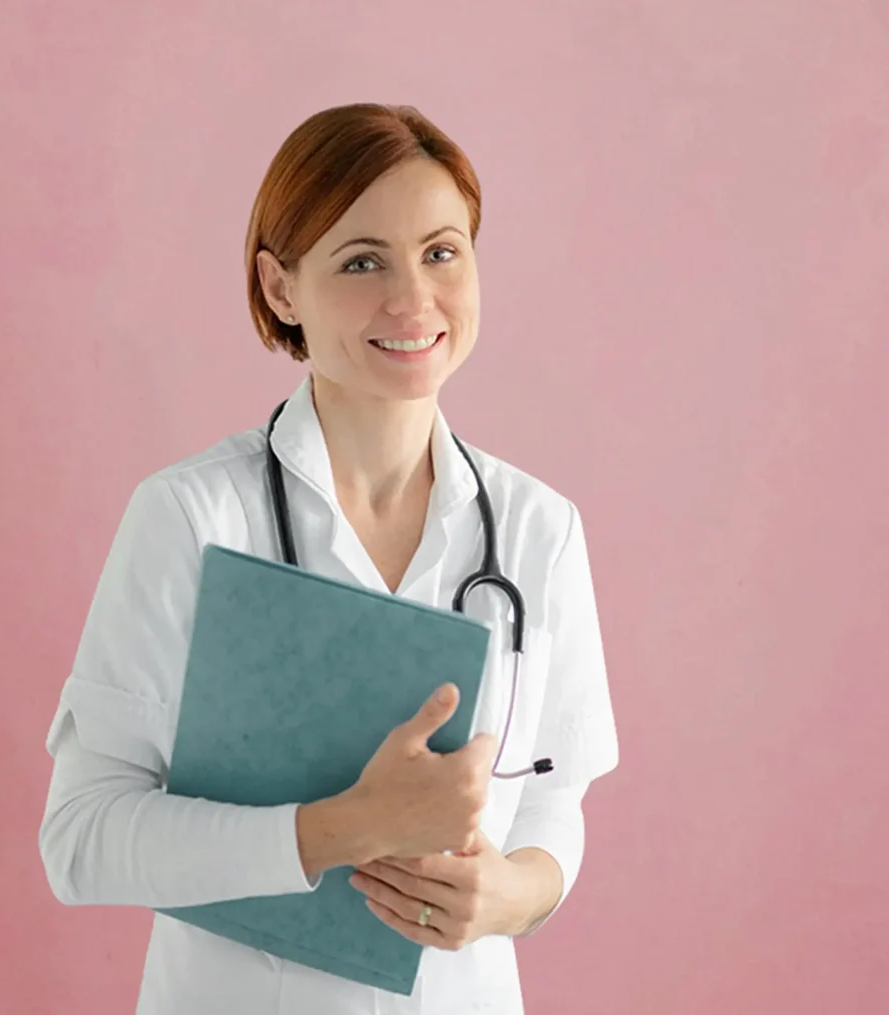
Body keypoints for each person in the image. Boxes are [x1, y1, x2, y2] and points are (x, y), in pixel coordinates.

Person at [38, 102, 619, 1015]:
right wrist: (336, 830)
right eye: (361, 261)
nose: (412, 298)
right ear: (280, 289)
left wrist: (518, 894)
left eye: (441, 252)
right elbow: (80, 841)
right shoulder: (192, 517)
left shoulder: (538, 529)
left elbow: (552, 801)